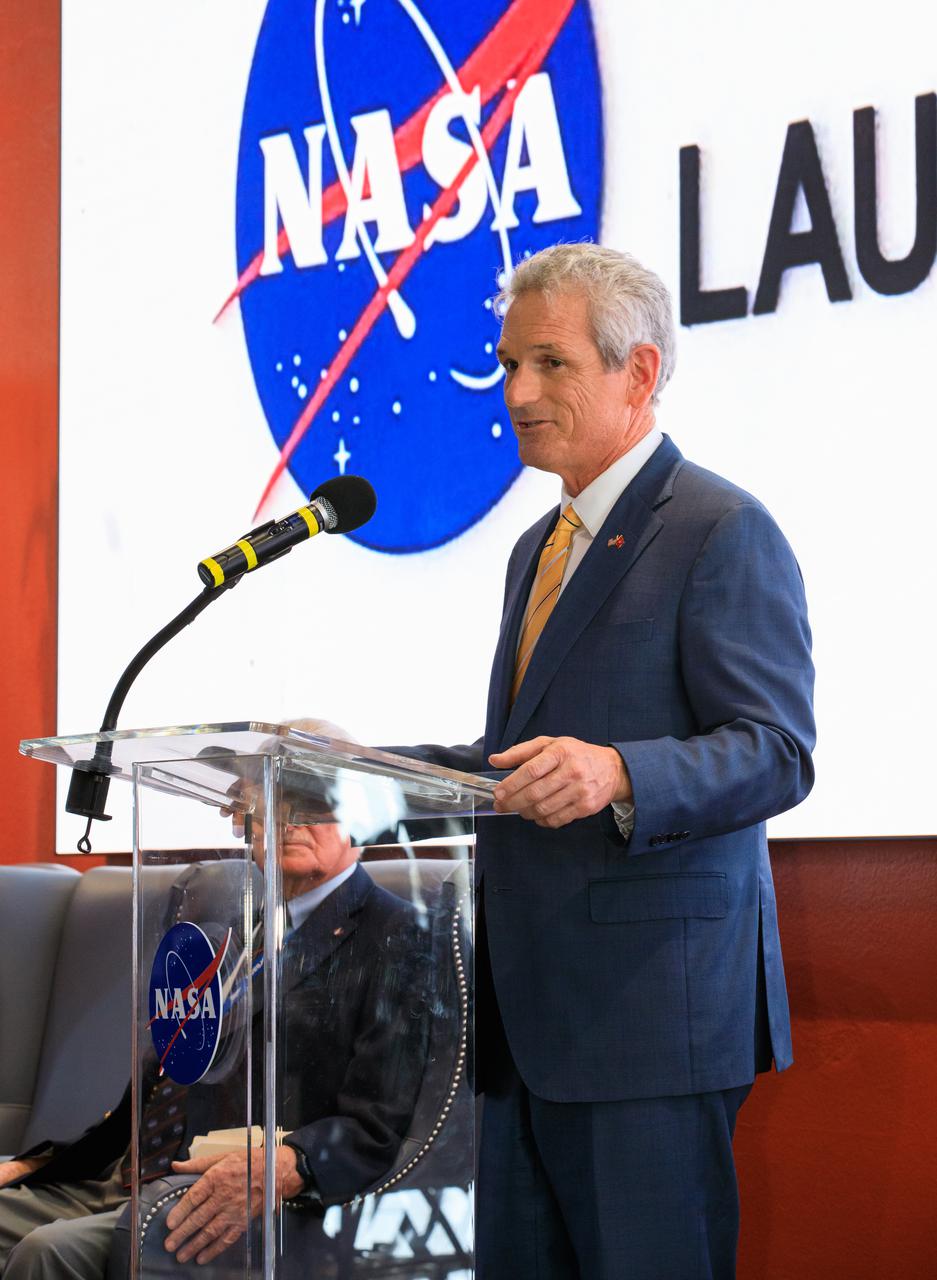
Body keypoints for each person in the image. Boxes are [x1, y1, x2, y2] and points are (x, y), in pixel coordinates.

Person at [401, 243, 816, 1279]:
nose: (516, 392)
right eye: (506, 364)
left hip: (647, 1023)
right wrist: (348, 764)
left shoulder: (721, 528)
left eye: (548, 364)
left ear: (637, 373)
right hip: (526, 1022)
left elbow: (775, 749)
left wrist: (620, 772)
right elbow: (514, 763)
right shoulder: (533, 548)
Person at [0, 803, 432, 1278]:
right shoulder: (240, 928)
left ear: (359, 817)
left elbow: (377, 1122)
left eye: (311, 809)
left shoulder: (400, 933)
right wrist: (41, 1164)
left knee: (48, 1250)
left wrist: (287, 1165)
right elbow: (167, 1076)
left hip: (227, 1188)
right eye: (271, 811)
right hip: (126, 1172)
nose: (288, 826)